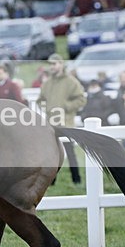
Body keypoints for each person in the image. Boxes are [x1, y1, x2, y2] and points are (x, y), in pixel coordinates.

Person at [37, 54, 87, 184]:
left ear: (61, 64)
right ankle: (52, 181)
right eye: (50, 64)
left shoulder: (71, 82)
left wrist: (66, 106)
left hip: (66, 123)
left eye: (54, 64)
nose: (52, 67)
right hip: (51, 124)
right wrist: (46, 108)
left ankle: (76, 180)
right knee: (51, 154)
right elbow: (39, 100)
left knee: (70, 153)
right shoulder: (47, 83)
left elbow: (81, 99)